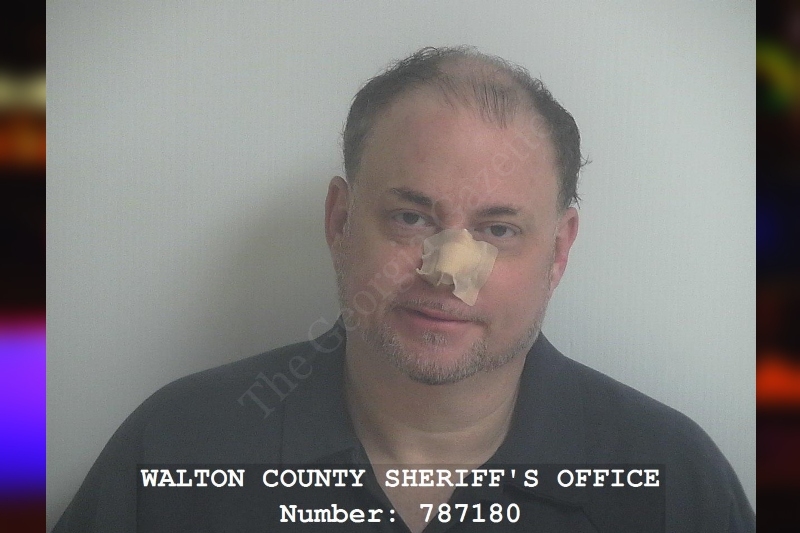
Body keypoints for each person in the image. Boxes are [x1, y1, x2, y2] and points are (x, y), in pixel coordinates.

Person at [53, 46, 754, 533]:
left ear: (559, 249)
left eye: (498, 229)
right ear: (340, 220)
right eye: (412, 217)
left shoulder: (673, 479)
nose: (447, 272)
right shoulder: (179, 449)